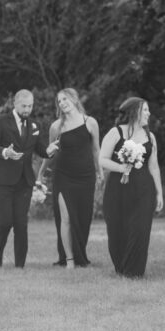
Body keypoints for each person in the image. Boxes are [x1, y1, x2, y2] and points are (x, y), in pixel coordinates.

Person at [0, 90, 58, 267]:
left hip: (24, 181)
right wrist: (5, 152)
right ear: (15, 104)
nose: (27, 109)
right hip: (1, 181)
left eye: (30, 106)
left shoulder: (34, 125)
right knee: (5, 221)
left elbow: (41, 150)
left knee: (21, 223)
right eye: (24, 106)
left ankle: (20, 265)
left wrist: (50, 149)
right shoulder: (1, 121)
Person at [99, 97, 164, 277]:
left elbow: (153, 166)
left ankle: (134, 272)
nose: (148, 114)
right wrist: (121, 167)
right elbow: (102, 159)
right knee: (117, 229)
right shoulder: (116, 132)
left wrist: (159, 192)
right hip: (117, 190)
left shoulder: (150, 136)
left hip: (144, 189)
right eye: (145, 110)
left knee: (140, 230)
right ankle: (121, 267)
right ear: (134, 112)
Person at [45, 88, 101, 269]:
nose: (62, 103)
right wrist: (40, 176)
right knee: (66, 218)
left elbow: (96, 150)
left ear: (74, 99)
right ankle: (69, 259)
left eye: (65, 99)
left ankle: (79, 256)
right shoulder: (56, 127)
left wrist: (100, 172)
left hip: (86, 176)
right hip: (63, 176)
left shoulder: (90, 122)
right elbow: (50, 153)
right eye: (59, 101)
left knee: (83, 218)